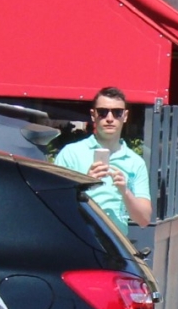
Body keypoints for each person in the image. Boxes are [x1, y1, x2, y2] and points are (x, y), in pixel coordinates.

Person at [53, 85, 152, 229]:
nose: (110, 118)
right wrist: (83, 186)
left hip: (113, 245)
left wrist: (125, 192)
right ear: (93, 115)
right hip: (77, 240)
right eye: (103, 112)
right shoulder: (71, 154)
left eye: (117, 112)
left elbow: (143, 220)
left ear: (125, 116)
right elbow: (54, 204)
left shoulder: (135, 163)